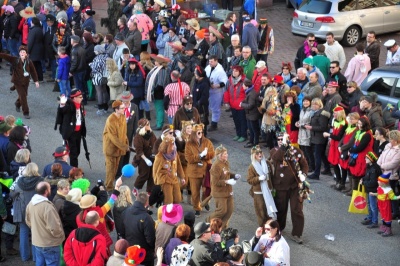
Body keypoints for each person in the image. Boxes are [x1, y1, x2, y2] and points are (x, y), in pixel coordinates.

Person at [270, 132, 308, 244]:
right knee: (281, 209)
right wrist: (283, 146)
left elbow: (304, 164)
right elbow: (277, 158)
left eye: (283, 139)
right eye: (279, 139)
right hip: (280, 185)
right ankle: (279, 229)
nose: (280, 140)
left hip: (295, 186)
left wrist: (304, 174)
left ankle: (297, 233)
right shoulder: (275, 151)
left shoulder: (296, 151)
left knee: (297, 210)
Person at [10, 163, 44, 261]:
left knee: (23, 232)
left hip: (22, 211)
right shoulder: (40, 181)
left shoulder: (19, 182)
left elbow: (12, 194)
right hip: (35, 210)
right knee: (35, 233)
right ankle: (35, 257)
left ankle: (24, 256)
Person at [26, 181, 65, 265]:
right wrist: (61, 236)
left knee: (40, 263)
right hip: (50, 244)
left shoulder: (31, 203)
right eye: (49, 188)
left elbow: (28, 220)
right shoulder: (47, 207)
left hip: (37, 242)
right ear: (46, 191)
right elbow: (55, 228)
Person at [0, 46, 39, 119]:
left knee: (24, 95)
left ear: (26, 54)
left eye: (24, 52)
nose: (22, 53)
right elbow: (6, 56)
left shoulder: (29, 61)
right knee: (23, 96)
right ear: (19, 53)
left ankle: (17, 104)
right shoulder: (15, 60)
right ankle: (26, 112)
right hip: (17, 82)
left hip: (26, 81)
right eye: (21, 52)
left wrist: (36, 81)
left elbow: (33, 71)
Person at [185, 124, 215, 217]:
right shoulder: (189, 144)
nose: (200, 134)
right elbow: (188, 158)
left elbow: (212, 153)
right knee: (195, 191)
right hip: (194, 172)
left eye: (201, 132)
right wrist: (199, 156)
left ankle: (205, 202)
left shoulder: (207, 142)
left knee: (207, 189)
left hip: (206, 170)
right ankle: (197, 208)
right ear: (194, 133)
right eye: (198, 132)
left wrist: (205, 155)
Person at [207, 146, 239, 229]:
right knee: (222, 211)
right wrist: (227, 181)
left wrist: (234, 175)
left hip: (228, 191)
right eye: (225, 154)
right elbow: (215, 182)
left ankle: (222, 227)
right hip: (219, 193)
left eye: (226, 153)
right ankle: (208, 221)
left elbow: (226, 174)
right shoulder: (215, 166)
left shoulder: (225, 162)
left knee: (229, 211)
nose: (227, 155)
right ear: (219, 155)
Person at [121, 192, 155, 265]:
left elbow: (122, 231)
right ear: (146, 203)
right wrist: (152, 249)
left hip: (130, 251)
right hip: (144, 254)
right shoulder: (147, 218)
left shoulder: (125, 212)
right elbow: (150, 239)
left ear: (136, 199)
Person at [246, 145, 276, 227]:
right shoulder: (252, 167)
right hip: (258, 192)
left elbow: (272, 176)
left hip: (268, 189)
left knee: (269, 208)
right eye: (257, 153)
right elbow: (249, 180)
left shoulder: (267, 163)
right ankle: (262, 227)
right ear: (253, 156)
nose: (259, 154)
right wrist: (258, 178)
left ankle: (270, 226)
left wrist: (273, 187)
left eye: (260, 152)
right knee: (261, 210)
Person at [103, 100, 130, 191]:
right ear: (116, 109)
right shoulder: (110, 120)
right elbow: (113, 137)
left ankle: (110, 185)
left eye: (124, 107)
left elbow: (124, 133)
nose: (124, 109)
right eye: (122, 108)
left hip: (119, 148)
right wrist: (124, 147)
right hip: (110, 148)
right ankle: (108, 188)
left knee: (115, 169)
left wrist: (127, 143)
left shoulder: (122, 117)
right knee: (110, 170)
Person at [55, 90, 86, 167]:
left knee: (77, 151)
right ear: (74, 98)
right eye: (80, 97)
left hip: (78, 132)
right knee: (73, 152)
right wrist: (62, 104)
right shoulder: (69, 105)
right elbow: (62, 110)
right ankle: (74, 169)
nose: (82, 98)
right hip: (71, 132)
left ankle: (72, 165)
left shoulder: (80, 104)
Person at [153, 136, 185, 204]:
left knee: (178, 198)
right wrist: (156, 182)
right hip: (165, 180)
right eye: (172, 144)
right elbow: (155, 170)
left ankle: (174, 211)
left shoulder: (175, 154)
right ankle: (167, 213)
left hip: (174, 178)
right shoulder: (159, 157)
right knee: (168, 200)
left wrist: (182, 177)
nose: (174, 146)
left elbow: (179, 165)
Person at [377, 130, 400, 220]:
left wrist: (383, 166)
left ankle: (395, 211)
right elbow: (382, 156)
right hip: (384, 173)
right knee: (385, 192)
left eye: (391, 139)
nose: (389, 140)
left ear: (396, 140)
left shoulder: (398, 151)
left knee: (391, 194)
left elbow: (394, 163)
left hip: (391, 175)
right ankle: (388, 210)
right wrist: (380, 164)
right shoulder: (388, 146)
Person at [306, 98, 330, 180]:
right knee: (322, 155)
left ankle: (316, 174)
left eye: (315, 104)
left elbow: (323, 127)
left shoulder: (322, 114)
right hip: (316, 137)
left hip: (319, 138)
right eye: (312, 104)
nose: (313, 106)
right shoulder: (315, 113)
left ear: (320, 105)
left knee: (318, 156)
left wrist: (311, 127)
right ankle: (327, 168)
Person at [324, 106, 347, 190]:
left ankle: (342, 183)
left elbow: (338, 137)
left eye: (335, 113)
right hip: (334, 144)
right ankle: (338, 181)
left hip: (339, 145)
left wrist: (328, 135)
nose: (333, 115)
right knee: (334, 163)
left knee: (342, 164)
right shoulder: (335, 121)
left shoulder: (345, 123)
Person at [348, 116, 374, 191]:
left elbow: (360, 147)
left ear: (365, 124)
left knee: (360, 173)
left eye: (360, 124)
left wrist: (351, 149)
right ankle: (354, 191)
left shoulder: (367, 134)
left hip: (363, 157)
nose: (358, 125)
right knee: (354, 173)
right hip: (357, 155)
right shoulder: (359, 132)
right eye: (358, 123)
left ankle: (359, 192)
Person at [132, 119, 157, 196]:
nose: (149, 126)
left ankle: (150, 190)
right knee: (144, 174)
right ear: (142, 127)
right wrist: (146, 160)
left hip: (152, 156)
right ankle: (136, 188)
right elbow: (139, 150)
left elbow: (155, 143)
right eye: (147, 125)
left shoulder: (151, 134)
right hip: (143, 158)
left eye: (149, 124)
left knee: (152, 175)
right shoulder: (138, 137)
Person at [224, 65, 247, 142]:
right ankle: (238, 134)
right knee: (236, 121)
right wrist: (226, 102)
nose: (234, 72)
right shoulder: (229, 80)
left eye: (236, 71)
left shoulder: (244, 81)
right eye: (233, 71)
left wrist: (244, 103)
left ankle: (243, 135)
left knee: (242, 121)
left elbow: (247, 93)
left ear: (240, 72)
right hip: (233, 105)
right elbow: (226, 91)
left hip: (241, 106)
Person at [147, 54, 171, 129]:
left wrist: (153, 90)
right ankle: (158, 123)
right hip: (158, 92)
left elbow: (160, 84)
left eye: (156, 60)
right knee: (158, 109)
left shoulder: (162, 70)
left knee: (159, 109)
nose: (155, 61)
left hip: (159, 93)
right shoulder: (159, 69)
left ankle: (159, 125)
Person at [338, 112, 360, 195]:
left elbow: (351, 142)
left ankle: (353, 189)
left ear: (357, 120)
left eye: (352, 119)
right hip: (344, 149)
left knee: (350, 169)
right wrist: (339, 145)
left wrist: (342, 147)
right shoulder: (349, 126)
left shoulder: (356, 129)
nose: (350, 120)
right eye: (349, 118)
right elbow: (343, 137)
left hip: (349, 150)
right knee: (347, 169)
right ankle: (350, 187)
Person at [206, 55, 228, 132]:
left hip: (216, 92)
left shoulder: (220, 71)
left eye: (212, 61)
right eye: (209, 61)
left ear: (216, 61)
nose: (210, 63)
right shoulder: (208, 67)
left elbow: (224, 82)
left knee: (215, 108)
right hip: (209, 91)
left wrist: (216, 85)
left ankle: (214, 124)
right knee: (209, 106)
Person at [360, 152, 381, 229]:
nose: (365, 159)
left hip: (373, 190)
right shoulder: (369, 166)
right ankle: (370, 218)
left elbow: (373, 182)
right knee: (369, 204)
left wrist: (364, 182)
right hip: (369, 189)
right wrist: (363, 179)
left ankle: (374, 221)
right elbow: (367, 176)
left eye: (367, 158)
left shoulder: (374, 169)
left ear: (371, 159)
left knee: (373, 206)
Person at [90, 45, 110, 115]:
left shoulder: (98, 58)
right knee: (104, 91)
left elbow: (95, 68)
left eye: (95, 50)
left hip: (98, 77)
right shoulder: (106, 56)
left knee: (99, 92)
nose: (94, 51)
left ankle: (100, 108)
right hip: (105, 76)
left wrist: (91, 65)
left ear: (98, 51)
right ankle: (105, 106)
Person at [241, 79, 260, 148]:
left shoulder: (251, 94)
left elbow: (250, 105)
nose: (242, 86)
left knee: (254, 129)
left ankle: (255, 143)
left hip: (253, 114)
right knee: (251, 129)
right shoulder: (249, 92)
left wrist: (242, 105)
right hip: (250, 115)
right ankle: (251, 141)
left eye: (243, 85)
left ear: (246, 86)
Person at [69, 36, 87, 103]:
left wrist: (71, 71)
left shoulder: (74, 50)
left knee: (78, 86)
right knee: (82, 85)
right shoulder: (82, 48)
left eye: (71, 39)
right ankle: (84, 99)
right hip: (83, 69)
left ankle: (81, 100)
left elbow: (74, 62)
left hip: (77, 71)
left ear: (73, 41)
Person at [192, 66, 210, 133]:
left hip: (201, 107)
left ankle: (203, 135)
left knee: (202, 121)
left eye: (195, 72)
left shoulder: (205, 83)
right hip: (195, 106)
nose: (194, 73)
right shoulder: (196, 81)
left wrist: (198, 103)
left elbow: (205, 96)